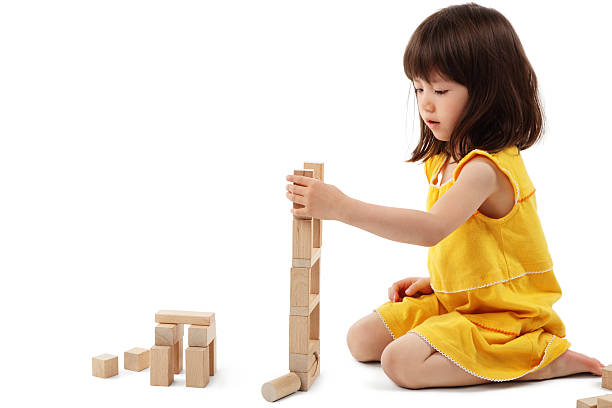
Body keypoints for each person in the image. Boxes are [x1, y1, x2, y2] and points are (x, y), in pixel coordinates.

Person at [284, 2, 606, 389]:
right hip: (467, 300)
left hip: (505, 312)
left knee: (400, 363)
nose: (425, 103)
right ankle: (467, 333)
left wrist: (341, 207)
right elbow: (473, 243)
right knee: (361, 340)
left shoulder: (484, 170)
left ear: (489, 92)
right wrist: (442, 279)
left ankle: (538, 358)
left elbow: (432, 229)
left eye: (440, 90)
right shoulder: (444, 157)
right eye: (418, 88)